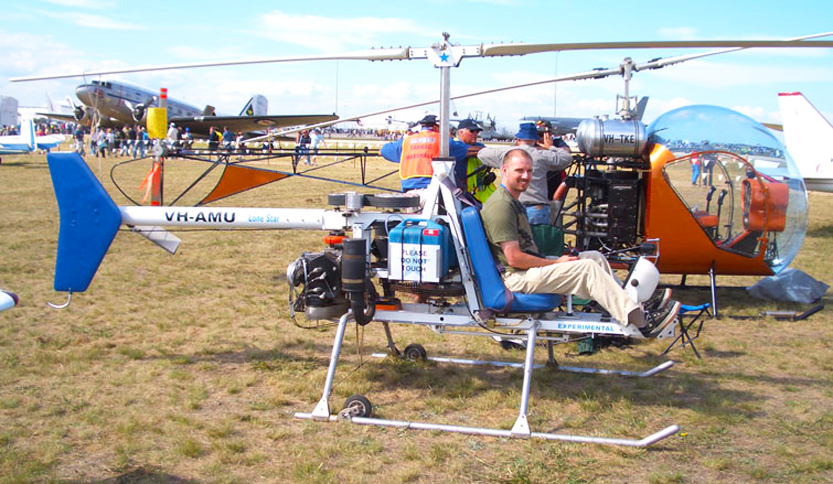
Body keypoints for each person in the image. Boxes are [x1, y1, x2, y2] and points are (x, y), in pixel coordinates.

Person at [481, 149, 680, 337]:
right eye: (519, 170)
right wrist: (556, 263)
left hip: (525, 271)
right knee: (586, 268)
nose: (525, 176)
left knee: (595, 257)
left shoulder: (512, 201)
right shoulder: (501, 206)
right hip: (516, 278)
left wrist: (556, 260)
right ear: (504, 170)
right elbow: (514, 259)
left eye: (529, 171)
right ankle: (643, 323)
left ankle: (632, 306)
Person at [478, 122, 572, 225]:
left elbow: (481, 154)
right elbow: (567, 158)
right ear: (536, 139)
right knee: (537, 240)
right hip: (537, 208)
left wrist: (510, 149)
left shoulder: (505, 153)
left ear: (519, 138)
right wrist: (550, 147)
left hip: (510, 206)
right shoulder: (542, 155)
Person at [379, 114, 471, 196]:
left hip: (409, 192)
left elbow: (383, 150)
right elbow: (468, 150)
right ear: (436, 127)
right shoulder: (441, 140)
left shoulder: (406, 141)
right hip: (434, 191)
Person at [456, 118, 496, 203]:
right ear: (460, 132)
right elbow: (471, 151)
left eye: (477, 132)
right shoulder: (456, 146)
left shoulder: (479, 145)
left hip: (481, 194)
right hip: (464, 196)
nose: (475, 134)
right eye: (471, 131)